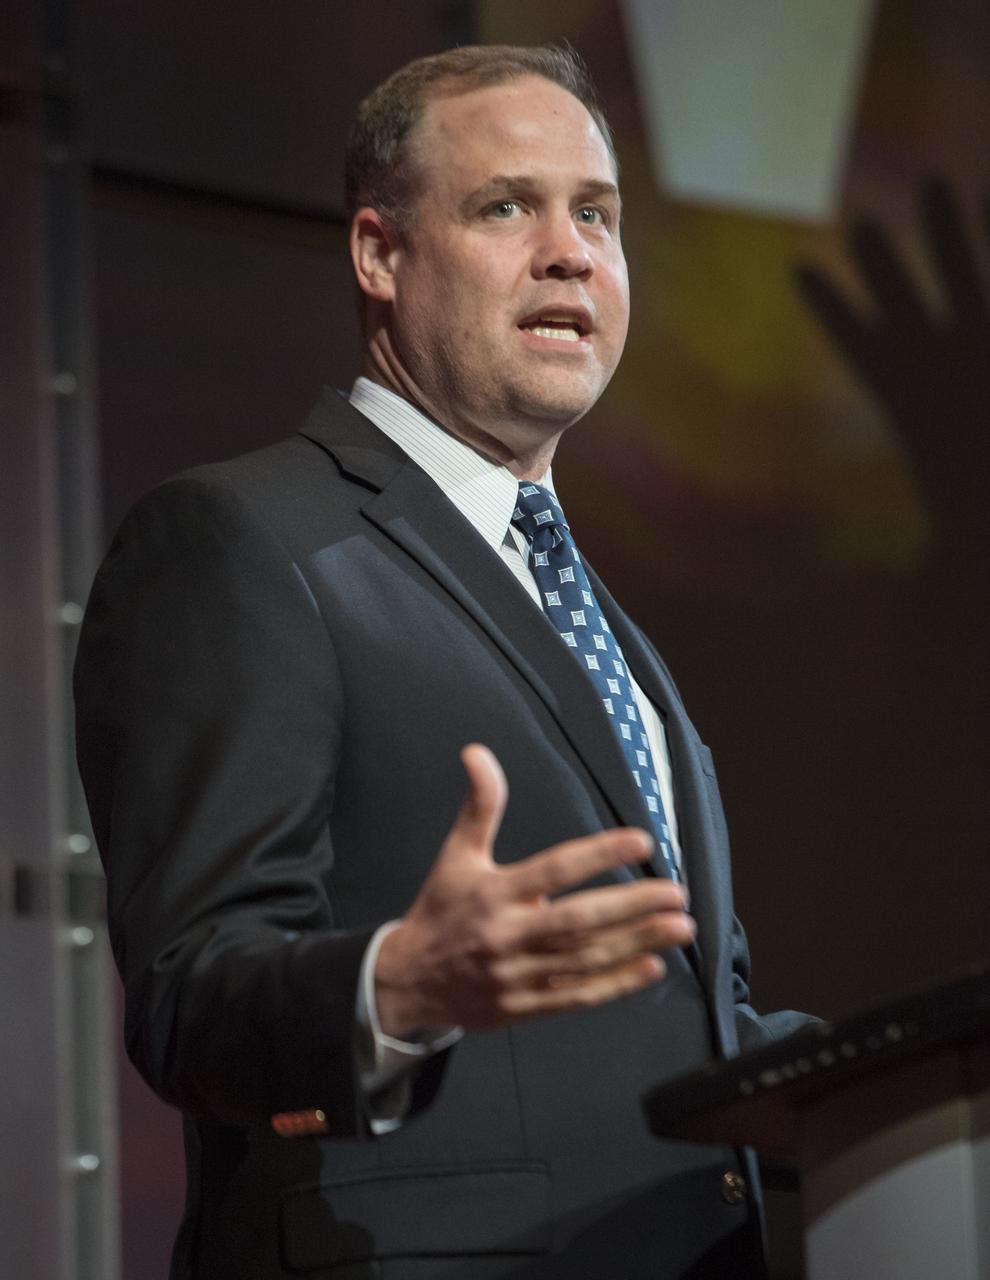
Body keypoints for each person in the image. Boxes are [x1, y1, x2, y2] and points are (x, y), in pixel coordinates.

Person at [75, 45, 810, 1280]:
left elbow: (692, 1022)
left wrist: (927, 1069)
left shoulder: (601, 623)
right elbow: (193, 993)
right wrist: (394, 985)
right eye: (506, 205)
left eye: (597, 214)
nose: (570, 250)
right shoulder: (242, 540)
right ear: (379, 252)